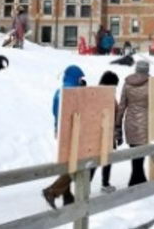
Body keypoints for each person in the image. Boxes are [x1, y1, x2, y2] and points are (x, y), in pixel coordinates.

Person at [42, 65, 86, 208]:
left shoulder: (59, 91)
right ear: (75, 78)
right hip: (73, 131)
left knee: (67, 161)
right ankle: (52, 191)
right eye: (80, 78)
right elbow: (81, 110)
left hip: (61, 130)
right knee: (74, 164)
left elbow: (55, 111)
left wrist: (56, 127)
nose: (81, 80)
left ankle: (67, 196)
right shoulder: (73, 92)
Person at [117, 60, 150, 186]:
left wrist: (118, 125)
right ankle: (136, 184)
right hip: (145, 123)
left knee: (136, 155)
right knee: (140, 156)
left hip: (130, 123)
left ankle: (139, 182)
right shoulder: (151, 83)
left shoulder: (127, 83)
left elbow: (122, 106)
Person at [90, 71, 120, 193]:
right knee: (106, 160)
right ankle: (105, 184)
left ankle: (86, 184)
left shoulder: (95, 92)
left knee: (96, 161)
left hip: (95, 133)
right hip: (106, 133)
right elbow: (114, 112)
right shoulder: (107, 95)